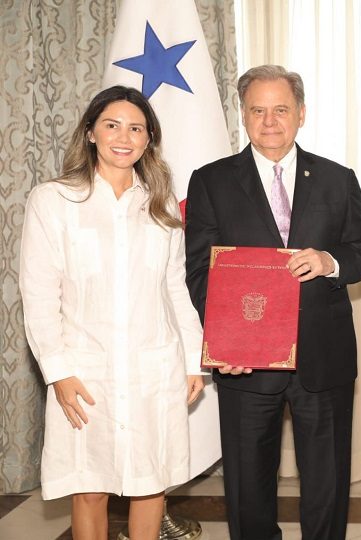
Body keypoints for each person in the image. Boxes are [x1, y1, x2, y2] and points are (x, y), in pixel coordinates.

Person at [184, 65, 361, 540]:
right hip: (244, 363)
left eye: (281, 110)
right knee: (248, 489)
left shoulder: (337, 178)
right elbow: (198, 270)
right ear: (243, 116)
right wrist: (228, 341)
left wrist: (330, 261)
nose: (270, 121)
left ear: (301, 114)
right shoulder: (210, 181)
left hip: (323, 356)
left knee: (327, 485)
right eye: (258, 110)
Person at [18, 85, 205, 539]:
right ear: (90, 132)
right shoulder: (53, 201)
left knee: (150, 485)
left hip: (153, 369)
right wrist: (58, 372)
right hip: (86, 372)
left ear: (148, 140)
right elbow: (39, 294)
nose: (124, 136)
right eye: (112, 124)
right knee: (89, 485)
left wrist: (193, 361)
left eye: (136, 128)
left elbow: (175, 288)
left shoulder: (161, 207)